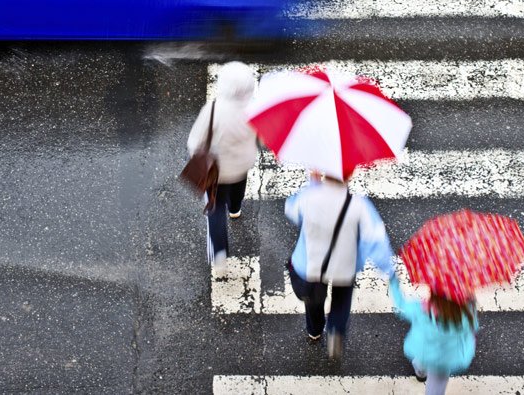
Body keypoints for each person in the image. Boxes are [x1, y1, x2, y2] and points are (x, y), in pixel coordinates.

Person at [284, 171, 394, 359]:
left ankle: (315, 330)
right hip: (345, 263)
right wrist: (387, 269)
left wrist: (313, 184)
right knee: (342, 301)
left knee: (314, 301)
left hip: (313, 265)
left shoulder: (309, 197)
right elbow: (375, 239)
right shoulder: (359, 205)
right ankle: (336, 329)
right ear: (350, 175)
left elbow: (291, 210)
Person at [187, 61, 258, 277]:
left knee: (215, 209)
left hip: (217, 171)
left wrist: (196, 156)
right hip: (243, 163)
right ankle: (235, 210)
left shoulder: (213, 110)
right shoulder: (254, 109)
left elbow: (195, 142)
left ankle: (219, 254)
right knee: (238, 188)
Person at [389, 278, 479, 395]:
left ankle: (420, 373)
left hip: (424, 351)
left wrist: (393, 279)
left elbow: (401, 305)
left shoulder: (421, 310)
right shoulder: (466, 315)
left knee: (421, 361)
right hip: (446, 360)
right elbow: (473, 329)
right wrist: (471, 300)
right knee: (435, 389)